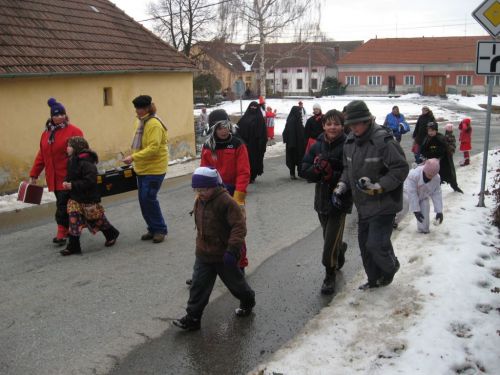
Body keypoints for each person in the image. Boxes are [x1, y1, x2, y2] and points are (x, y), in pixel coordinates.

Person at [334, 100, 409, 290]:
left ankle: (391, 268)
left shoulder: (383, 141)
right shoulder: (349, 142)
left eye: (357, 123)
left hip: (384, 203)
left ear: (367, 120)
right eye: (350, 124)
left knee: (376, 244)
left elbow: (400, 169)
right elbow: (347, 168)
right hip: (363, 205)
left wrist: (379, 186)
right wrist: (341, 186)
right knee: (365, 247)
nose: (353, 128)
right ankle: (374, 280)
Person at [173, 167, 256, 331]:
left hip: (224, 255)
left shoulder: (226, 201)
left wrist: (232, 250)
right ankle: (193, 318)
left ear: (214, 186)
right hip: (204, 253)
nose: (200, 192)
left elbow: (239, 226)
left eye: (204, 189)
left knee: (236, 285)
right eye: (197, 189)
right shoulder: (199, 199)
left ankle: (248, 301)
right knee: (198, 286)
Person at [301, 109, 352, 295]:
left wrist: (333, 172)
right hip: (321, 200)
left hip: (340, 201)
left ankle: (329, 275)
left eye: (336, 124)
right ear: (323, 125)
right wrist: (317, 171)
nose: (332, 127)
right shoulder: (316, 145)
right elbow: (303, 168)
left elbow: (351, 172)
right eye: (329, 124)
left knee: (328, 243)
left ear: (342, 125)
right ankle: (340, 250)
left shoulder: (349, 144)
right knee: (329, 238)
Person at [200, 109, 251, 271]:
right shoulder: (208, 147)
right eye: (220, 127)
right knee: (212, 231)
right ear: (213, 128)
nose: (224, 130)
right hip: (214, 193)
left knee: (236, 230)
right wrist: (202, 194)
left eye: (226, 126)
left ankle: (239, 264)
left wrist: (238, 198)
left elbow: (244, 172)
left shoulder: (238, 144)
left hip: (233, 192)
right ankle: (209, 266)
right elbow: (204, 171)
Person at [30, 98, 84, 246]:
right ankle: (75, 226)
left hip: (68, 176)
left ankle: (61, 232)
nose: (60, 117)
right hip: (53, 178)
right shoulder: (46, 134)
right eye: (57, 114)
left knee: (62, 206)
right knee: (67, 205)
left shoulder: (74, 131)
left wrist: (80, 173)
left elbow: (82, 153)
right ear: (51, 117)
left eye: (62, 114)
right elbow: (42, 155)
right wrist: (34, 174)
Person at [60, 137, 120, 256]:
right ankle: (73, 246)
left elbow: (90, 181)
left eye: (69, 146)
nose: (67, 148)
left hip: (88, 197)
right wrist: (66, 182)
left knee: (96, 218)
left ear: (77, 148)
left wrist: (72, 185)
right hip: (75, 197)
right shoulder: (72, 160)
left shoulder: (87, 163)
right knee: (73, 219)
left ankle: (111, 233)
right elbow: (70, 176)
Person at [123, 95, 169, 243]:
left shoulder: (153, 124)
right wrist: (133, 156)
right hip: (142, 167)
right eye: (136, 108)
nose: (138, 111)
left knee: (149, 198)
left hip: (155, 168)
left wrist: (133, 157)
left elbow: (154, 148)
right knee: (143, 200)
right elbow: (139, 143)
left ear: (148, 108)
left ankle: (160, 230)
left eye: (141, 108)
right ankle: (153, 228)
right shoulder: (141, 121)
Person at [394, 158, 443, 234]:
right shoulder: (414, 174)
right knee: (405, 206)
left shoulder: (436, 178)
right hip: (407, 192)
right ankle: (394, 221)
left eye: (432, 175)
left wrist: (439, 211)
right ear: (425, 170)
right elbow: (412, 193)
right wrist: (416, 210)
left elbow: (437, 193)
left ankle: (423, 230)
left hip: (423, 195)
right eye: (429, 175)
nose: (430, 177)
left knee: (425, 206)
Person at [420, 122, 463, 193]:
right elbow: (423, 149)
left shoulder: (440, 138)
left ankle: (454, 186)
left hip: (443, 161)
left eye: (432, 131)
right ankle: (432, 189)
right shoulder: (427, 138)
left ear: (436, 130)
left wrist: (432, 154)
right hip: (431, 161)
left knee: (449, 174)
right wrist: (426, 155)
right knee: (432, 175)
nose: (430, 132)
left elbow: (442, 150)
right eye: (429, 131)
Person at [237, 101, 267, 182]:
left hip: (255, 145)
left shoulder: (260, 119)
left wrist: (261, 143)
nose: (253, 109)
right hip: (244, 144)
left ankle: (252, 176)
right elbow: (238, 129)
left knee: (254, 160)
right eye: (251, 107)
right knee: (245, 160)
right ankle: (246, 175)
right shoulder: (245, 118)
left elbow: (263, 133)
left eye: (255, 107)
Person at [282, 106, 306, 179]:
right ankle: (297, 173)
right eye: (299, 112)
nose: (300, 113)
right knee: (297, 157)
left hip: (293, 144)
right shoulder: (293, 121)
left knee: (293, 158)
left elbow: (285, 132)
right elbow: (290, 132)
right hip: (295, 144)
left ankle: (293, 173)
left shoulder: (292, 120)